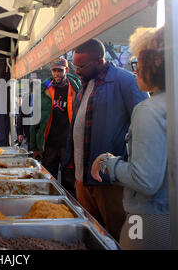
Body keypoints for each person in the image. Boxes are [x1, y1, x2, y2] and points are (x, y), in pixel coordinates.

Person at [91, 23, 178, 250]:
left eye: (139, 63)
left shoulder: (150, 109)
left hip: (154, 223)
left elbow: (145, 180)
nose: (134, 69)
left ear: (156, 66)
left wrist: (108, 165)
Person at [61, 38, 149, 241]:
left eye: (81, 65)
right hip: (83, 179)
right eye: (74, 65)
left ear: (99, 61)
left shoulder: (127, 81)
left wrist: (127, 167)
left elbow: (146, 128)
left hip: (110, 183)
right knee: (91, 235)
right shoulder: (85, 82)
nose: (76, 70)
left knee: (116, 235)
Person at [29, 57, 81, 196]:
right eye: (54, 71)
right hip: (49, 144)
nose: (57, 74)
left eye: (60, 70)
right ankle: (48, 208)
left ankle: (70, 211)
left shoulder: (77, 89)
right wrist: (34, 146)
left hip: (68, 144)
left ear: (67, 70)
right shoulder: (44, 90)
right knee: (47, 180)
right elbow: (35, 120)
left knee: (69, 182)